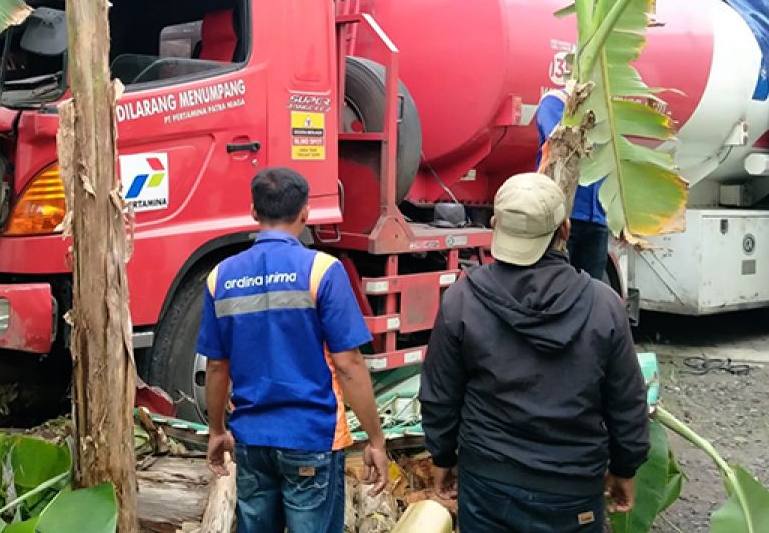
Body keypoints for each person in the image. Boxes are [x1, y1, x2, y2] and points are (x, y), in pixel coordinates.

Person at [420, 172, 649, 532]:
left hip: (488, 484)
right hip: (572, 488)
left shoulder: (463, 299)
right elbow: (626, 400)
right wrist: (625, 467)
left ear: (495, 225)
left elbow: (440, 394)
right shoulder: (603, 304)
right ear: (565, 231)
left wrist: (443, 456)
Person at [197, 167, 388, 533]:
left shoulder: (220, 277)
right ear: (306, 213)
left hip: (251, 438)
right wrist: (375, 440)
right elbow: (349, 364)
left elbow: (217, 366)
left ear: (254, 212)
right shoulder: (322, 270)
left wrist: (217, 430)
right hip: (311, 437)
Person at [535, 89, 610, 281]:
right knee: (554, 286)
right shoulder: (555, 101)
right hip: (562, 216)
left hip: (597, 218)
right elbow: (561, 139)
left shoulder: (606, 107)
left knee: (590, 290)